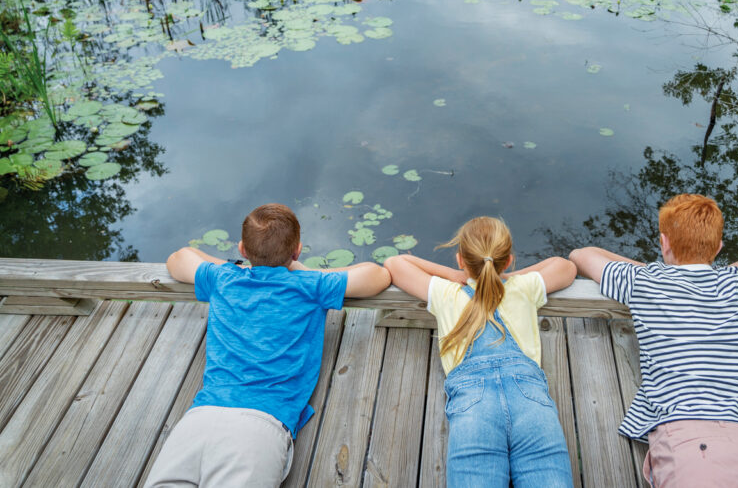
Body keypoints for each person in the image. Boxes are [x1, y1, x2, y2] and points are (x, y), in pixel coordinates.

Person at [569, 194, 738, 488]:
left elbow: (581, 255)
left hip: (692, 441)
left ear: (664, 242)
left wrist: (654, 269)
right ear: (719, 246)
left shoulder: (646, 281)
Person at [145, 203, 391, 488]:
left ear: (242, 249)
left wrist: (233, 266)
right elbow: (377, 275)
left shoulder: (224, 278)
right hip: (259, 425)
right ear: (297, 250)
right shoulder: (310, 285)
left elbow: (180, 257)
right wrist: (303, 271)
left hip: (200, 417)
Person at [384, 216, 576, 488]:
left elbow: (395, 263)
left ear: (460, 259)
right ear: (509, 260)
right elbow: (565, 266)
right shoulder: (524, 288)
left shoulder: (446, 292)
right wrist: (503, 276)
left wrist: (455, 275)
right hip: (530, 400)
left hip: (473, 406)